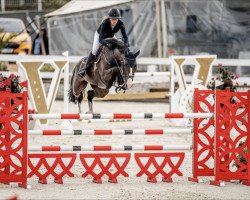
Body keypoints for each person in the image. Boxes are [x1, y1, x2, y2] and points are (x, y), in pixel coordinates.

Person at [78, 8, 129, 77]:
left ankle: (122, 66)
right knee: (94, 50)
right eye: (112, 19)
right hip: (100, 36)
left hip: (111, 36)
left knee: (119, 46)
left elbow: (125, 36)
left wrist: (126, 43)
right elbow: (101, 40)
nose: (114, 21)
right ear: (109, 18)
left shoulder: (121, 24)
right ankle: (85, 69)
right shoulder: (104, 23)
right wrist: (108, 45)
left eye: (116, 19)